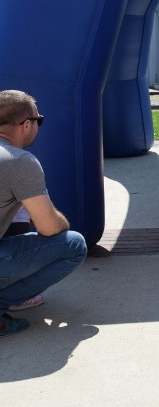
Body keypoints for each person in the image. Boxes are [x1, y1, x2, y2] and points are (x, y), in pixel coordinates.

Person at [0, 90, 88, 338]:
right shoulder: (19, 161)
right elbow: (48, 227)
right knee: (73, 244)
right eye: (39, 120)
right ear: (26, 125)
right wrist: (57, 217)